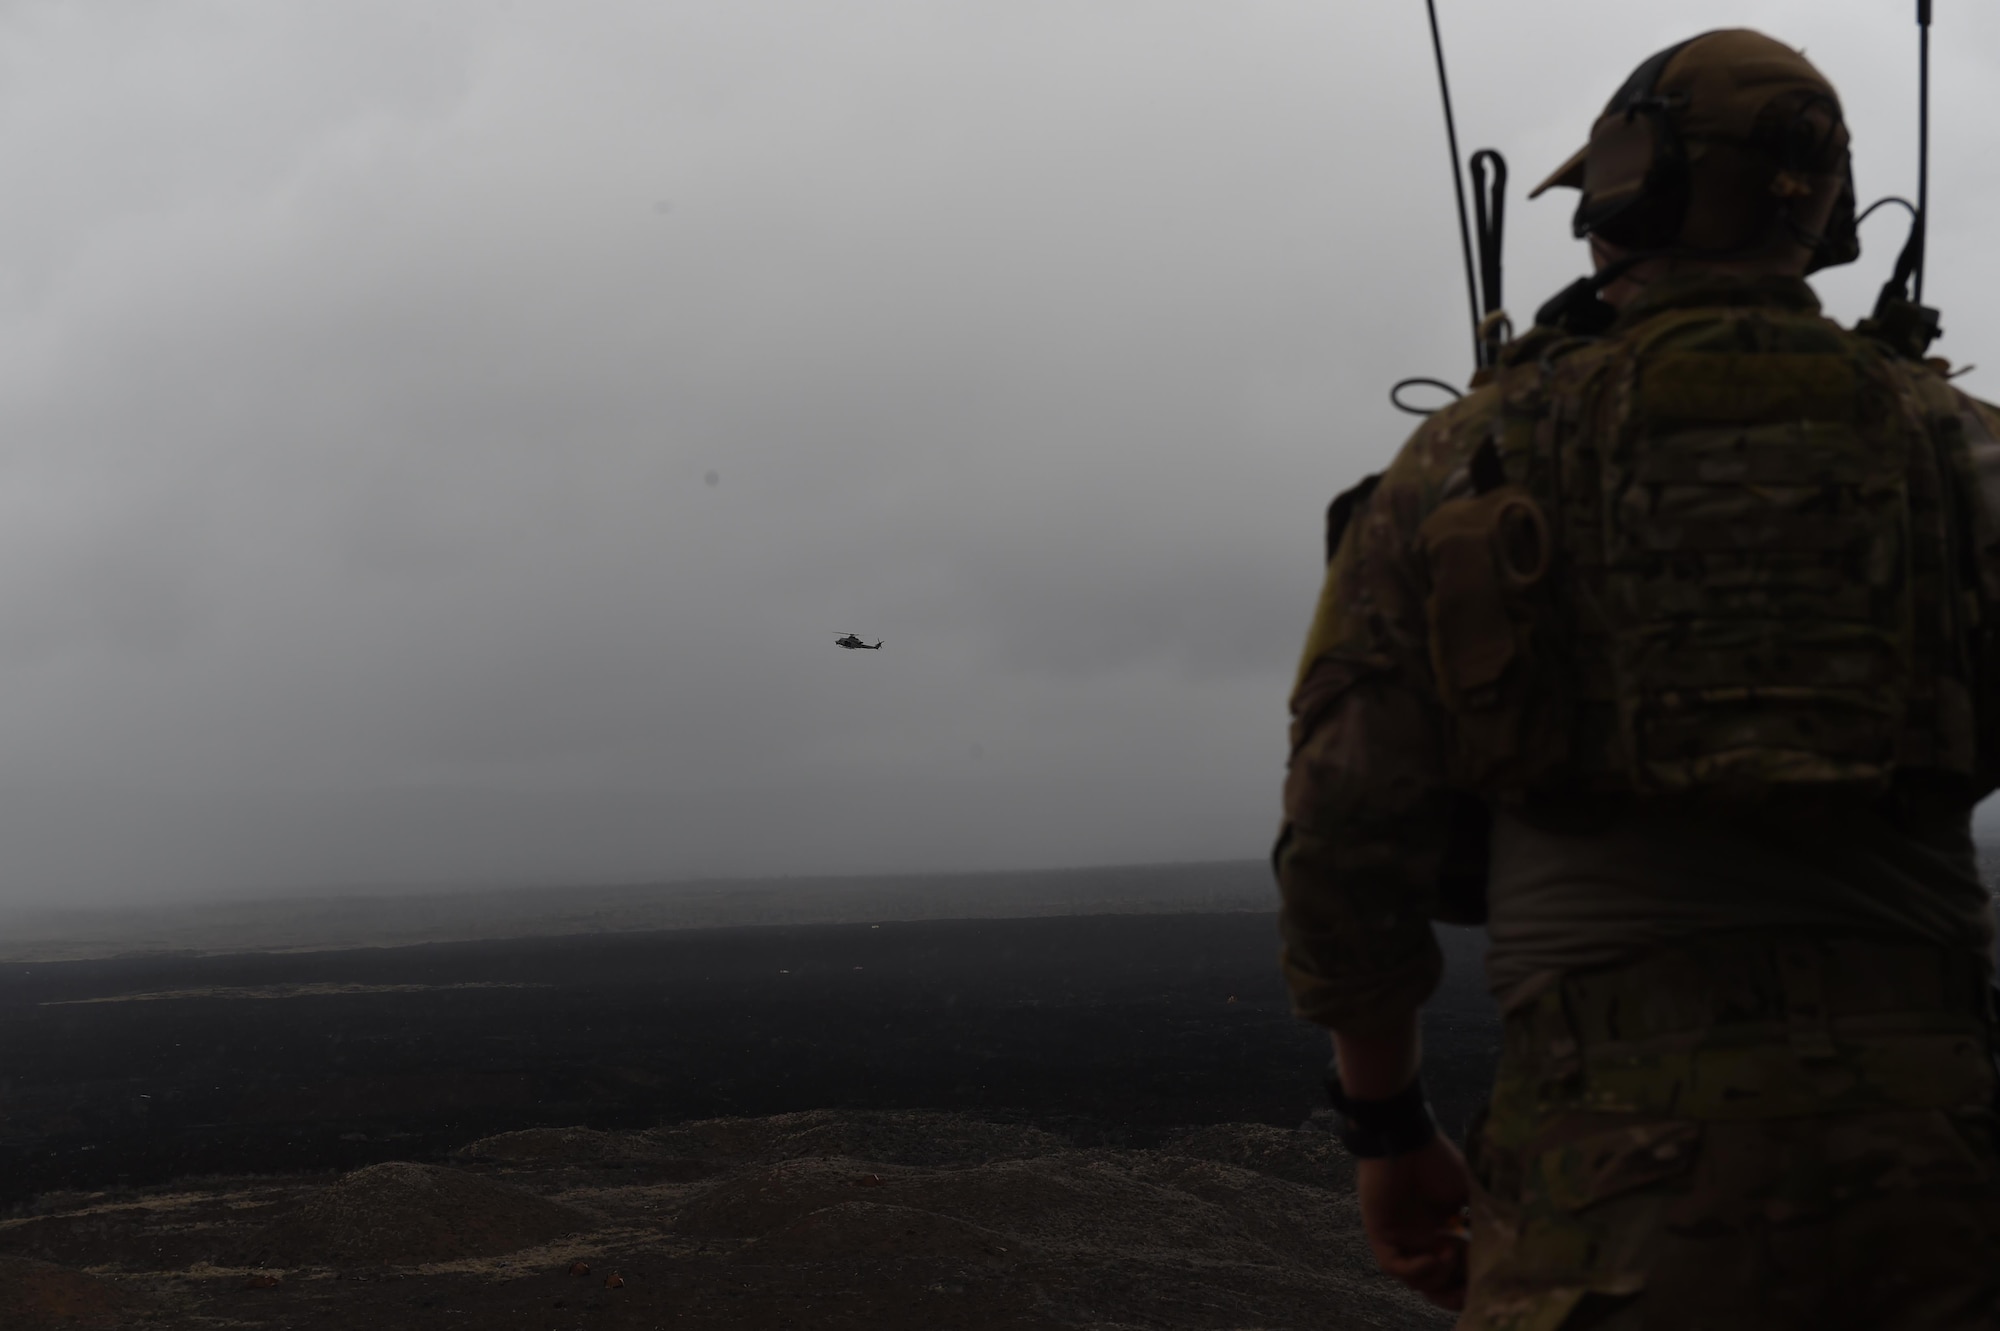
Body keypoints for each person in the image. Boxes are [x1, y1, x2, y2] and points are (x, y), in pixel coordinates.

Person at [1275, 28, 2000, 1329]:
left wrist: (1385, 1130)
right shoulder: (1966, 453)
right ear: (1823, 212)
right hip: (1941, 1185)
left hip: (1598, 1190)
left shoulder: (1467, 460)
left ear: (1621, 203)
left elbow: (1342, 837)